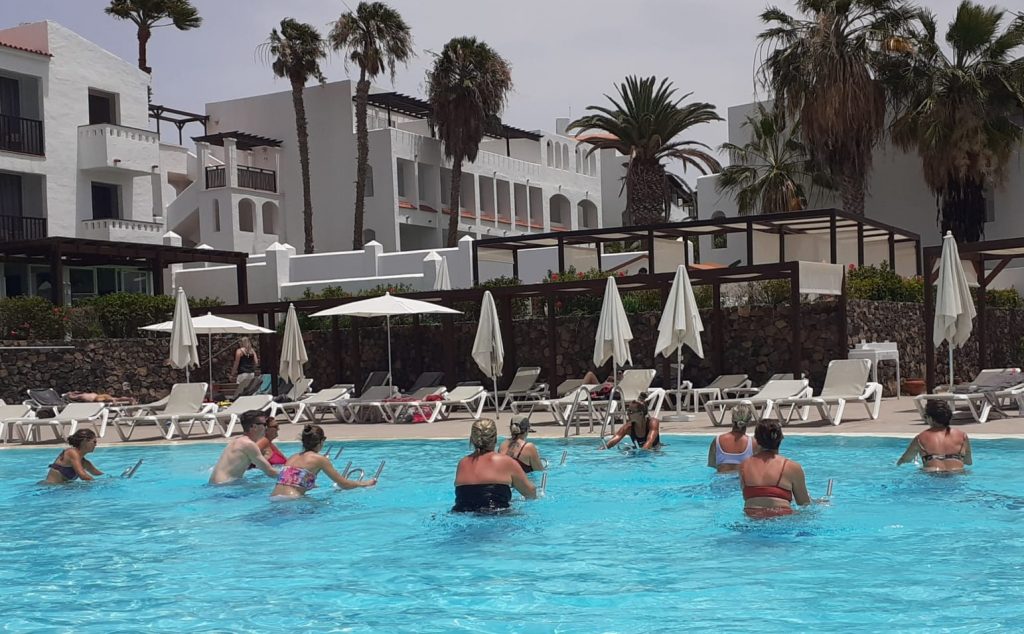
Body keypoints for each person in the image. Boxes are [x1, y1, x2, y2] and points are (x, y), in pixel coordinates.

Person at [453, 419, 536, 513]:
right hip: (497, 515)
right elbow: (531, 493)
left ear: (472, 439)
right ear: (495, 439)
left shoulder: (462, 463)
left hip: (461, 513)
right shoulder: (506, 461)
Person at [270, 424, 376, 498]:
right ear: (321, 441)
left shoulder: (292, 458)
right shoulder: (319, 459)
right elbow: (344, 484)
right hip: (293, 500)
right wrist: (364, 483)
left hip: (274, 498)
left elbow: (292, 482)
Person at [739, 420, 813, 518]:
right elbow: (803, 504)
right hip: (782, 520)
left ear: (756, 440)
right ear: (781, 439)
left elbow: (753, 497)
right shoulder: (792, 467)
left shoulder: (744, 465)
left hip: (752, 520)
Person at [897, 399, 972, 473]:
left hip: (932, 474)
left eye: (925, 416)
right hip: (956, 473)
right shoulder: (962, 436)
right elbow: (968, 462)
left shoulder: (921, 438)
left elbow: (906, 459)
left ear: (931, 418)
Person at [209, 411, 279, 485]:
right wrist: (290, 476)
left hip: (215, 485)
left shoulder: (237, 440)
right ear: (254, 427)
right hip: (225, 486)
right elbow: (270, 472)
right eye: (264, 424)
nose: (266, 428)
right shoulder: (249, 444)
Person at [707, 402, 758, 473]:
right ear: (749, 422)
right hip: (741, 482)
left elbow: (712, 465)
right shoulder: (753, 443)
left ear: (732, 420)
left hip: (720, 482)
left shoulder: (717, 440)